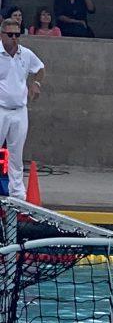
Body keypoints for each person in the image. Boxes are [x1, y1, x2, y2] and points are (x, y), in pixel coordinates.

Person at [0, 17, 44, 201]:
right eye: (10, 35)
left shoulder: (26, 54)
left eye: (17, 35)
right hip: (0, 108)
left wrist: (36, 83)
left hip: (19, 110)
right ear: (2, 35)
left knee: (16, 155)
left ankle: (17, 195)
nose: (14, 38)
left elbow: (40, 67)